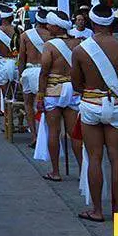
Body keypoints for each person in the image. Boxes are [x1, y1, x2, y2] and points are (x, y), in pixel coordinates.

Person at [72, 0, 118, 223]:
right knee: (116, 158)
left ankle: (98, 211)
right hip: (116, 105)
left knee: (94, 157)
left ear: (91, 21)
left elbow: (77, 85)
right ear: (113, 22)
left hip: (91, 104)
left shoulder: (81, 50)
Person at [35, 10, 82, 181]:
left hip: (53, 91)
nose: (47, 26)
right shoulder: (78, 43)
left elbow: (44, 73)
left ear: (56, 27)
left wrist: (40, 96)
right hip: (73, 91)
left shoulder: (49, 45)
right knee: (74, 133)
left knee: (53, 132)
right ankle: (83, 171)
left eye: (50, 24)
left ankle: (55, 172)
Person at [18, 8, 50, 148]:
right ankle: (46, 136)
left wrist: (20, 75)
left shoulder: (25, 35)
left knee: (28, 104)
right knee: (44, 105)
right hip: (45, 72)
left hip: (29, 71)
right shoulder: (52, 36)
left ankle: (34, 136)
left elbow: (21, 59)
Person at [0, 7, 18, 116]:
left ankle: (8, 119)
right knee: (17, 95)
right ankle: (19, 122)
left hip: (2, 64)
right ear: (12, 17)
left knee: (6, 94)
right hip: (16, 64)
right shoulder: (19, 30)